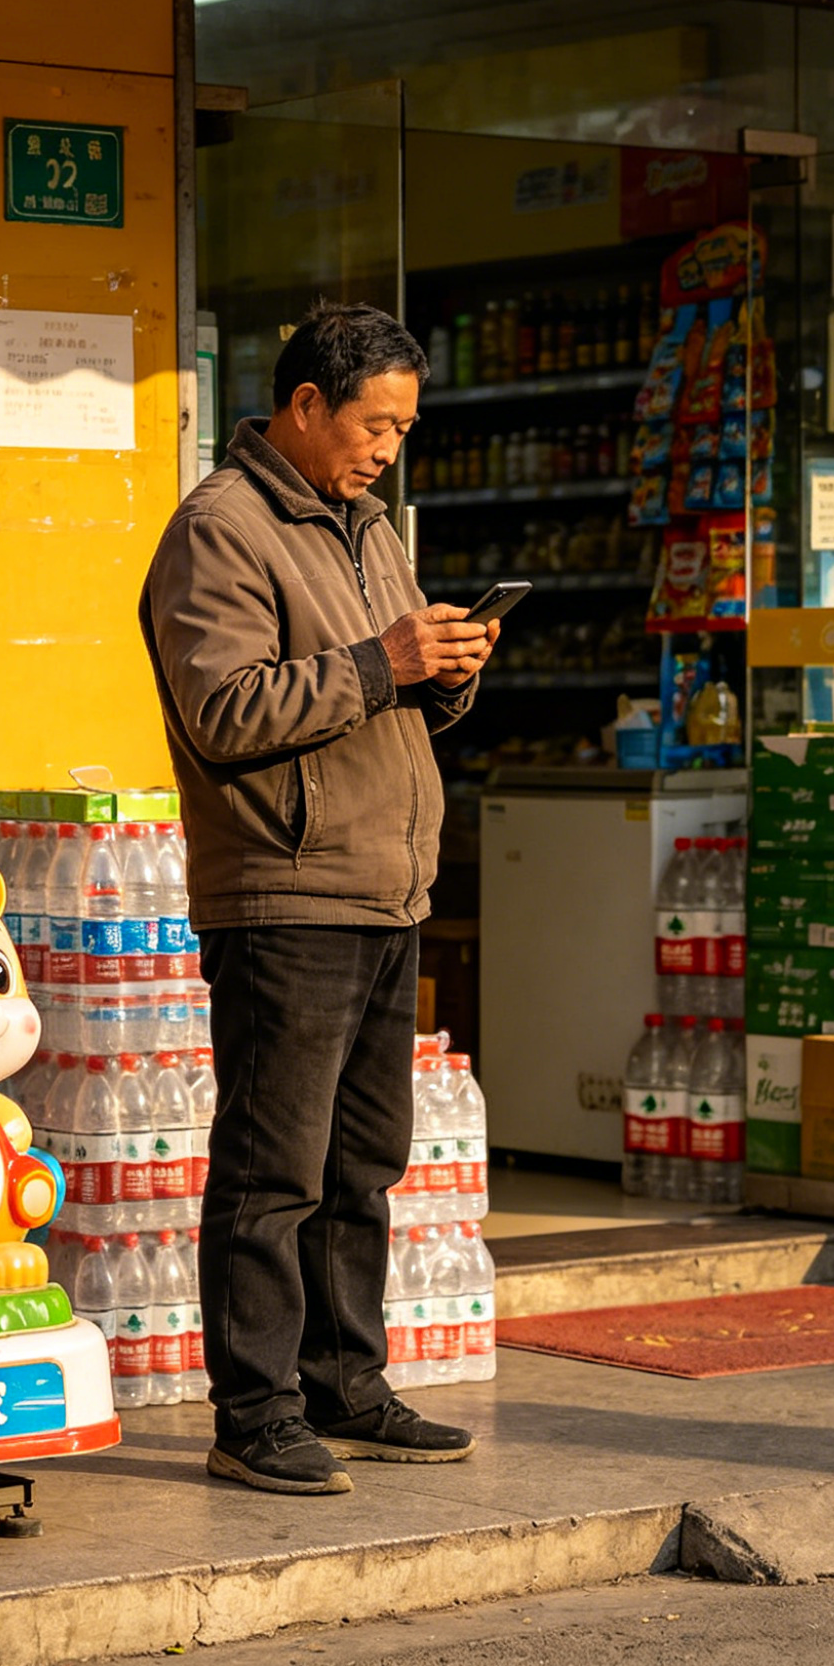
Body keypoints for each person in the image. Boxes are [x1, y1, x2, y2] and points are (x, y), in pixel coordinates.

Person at [139, 300, 498, 1496]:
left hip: (385, 887)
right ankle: (254, 1412)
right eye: (373, 424)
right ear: (304, 406)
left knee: (364, 1162)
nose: (388, 447)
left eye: (403, 426)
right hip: (286, 890)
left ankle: (346, 1382)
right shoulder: (220, 531)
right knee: (271, 1168)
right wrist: (383, 662)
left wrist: (443, 673)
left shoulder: (366, 526)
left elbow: (376, 690)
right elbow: (226, 710)